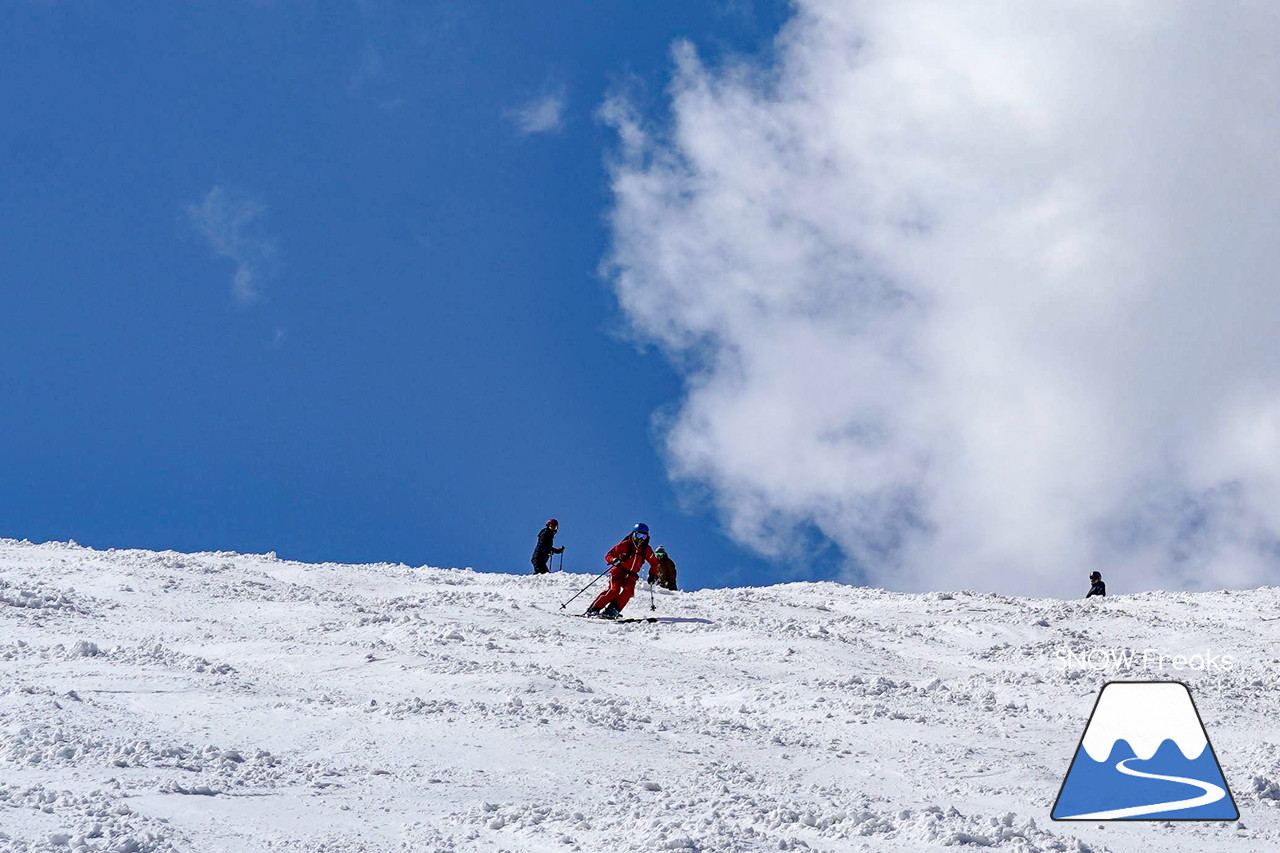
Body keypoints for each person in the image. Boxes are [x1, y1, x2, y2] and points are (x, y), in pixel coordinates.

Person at [586, 522, 661, 618]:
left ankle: (612, 610)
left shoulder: (646, 550)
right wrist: (613, 560)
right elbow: (609, 555)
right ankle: (593, 609)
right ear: (634, 534)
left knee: (628, 592)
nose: (641, 539)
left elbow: (654, 563)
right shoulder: (625, 545)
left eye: (644, 536)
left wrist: (652, 575)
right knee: (614, 591)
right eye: (639, 535)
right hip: (618, 572)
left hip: (631, 575)